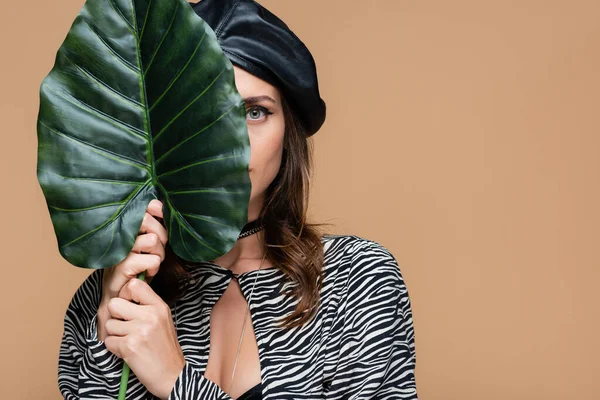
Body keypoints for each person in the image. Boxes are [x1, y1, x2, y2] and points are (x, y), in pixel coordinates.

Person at [58, 0, 418, 399]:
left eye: (254, 112)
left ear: (288, 131)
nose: (231, 142)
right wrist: (110, 326)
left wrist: (178, 383)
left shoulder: (356, 280)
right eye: (207, 110)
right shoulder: (115, 285)